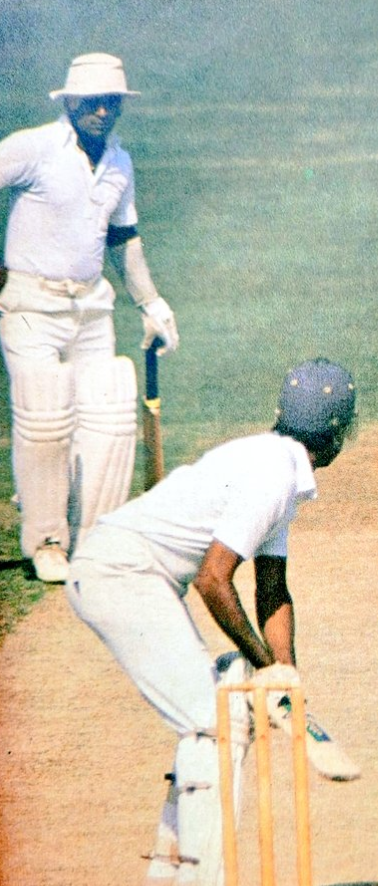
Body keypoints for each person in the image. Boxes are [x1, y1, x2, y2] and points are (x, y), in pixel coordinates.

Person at [66, 358, 357, 886]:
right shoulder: (274, 475)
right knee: (213, 721)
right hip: (123, 575)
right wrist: (262, 665)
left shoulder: (271, 462)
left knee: (216, 708)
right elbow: (213, 579)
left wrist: (283, 680)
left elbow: (272, 587)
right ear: (337, 435)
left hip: (125, 573)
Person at [0, 53, 179, 583]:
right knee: (45, 423)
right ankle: (47, 540)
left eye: (112, 102)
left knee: (105, 420)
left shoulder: (119, 163)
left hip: (91, 308)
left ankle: (93, 536)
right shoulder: (34, 147)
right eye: (92, 101)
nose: (102, 111)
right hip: (31, 305)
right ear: (69, 101)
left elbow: (124, 239)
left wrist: (151, 303)